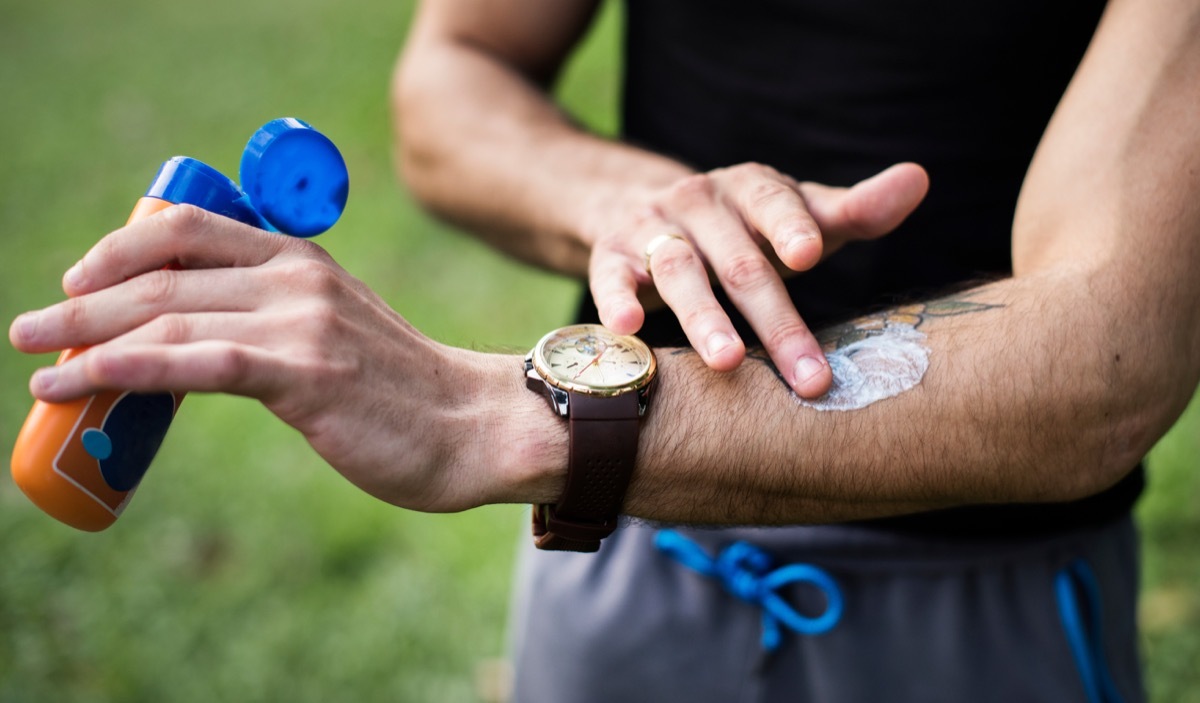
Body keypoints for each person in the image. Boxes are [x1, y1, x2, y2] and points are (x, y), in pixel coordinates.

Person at [7, 0, 1198, 700]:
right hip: (621, 567)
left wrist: (501, 417)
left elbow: (1109, 350)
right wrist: (630, 196)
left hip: (978, 611)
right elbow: (458, 66)